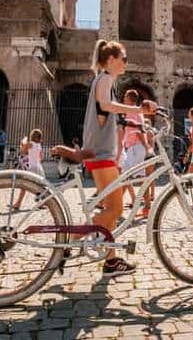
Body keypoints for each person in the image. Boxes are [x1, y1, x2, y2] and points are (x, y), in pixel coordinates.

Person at [62, 39, 156, 277]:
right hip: (101, 152)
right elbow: (106, 105)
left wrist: (133, 119)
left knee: (110, 208)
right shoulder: (104, 79)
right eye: (123, 58)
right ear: (111, 60)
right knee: (114, 209)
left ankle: (111, 261)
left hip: (100, 152)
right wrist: (138, 110)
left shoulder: (107, 82)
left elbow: (108, 113)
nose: (126, 62)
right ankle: (70, 237)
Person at [118, 89, 149, 212]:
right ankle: (146, 206)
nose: (124, 98)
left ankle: (117, 205)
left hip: (136, 147)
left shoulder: (133, 111)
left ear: (129, 98)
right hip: (134, 147)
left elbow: (139, 130)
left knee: (126, 176)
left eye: (125, 96)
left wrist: (146, 146)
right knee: (138, 178)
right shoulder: (134, 111)